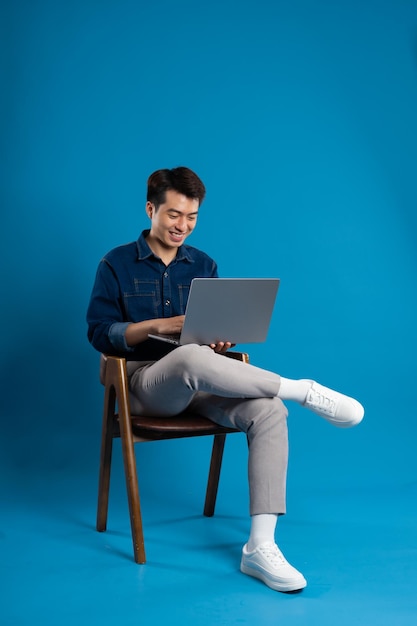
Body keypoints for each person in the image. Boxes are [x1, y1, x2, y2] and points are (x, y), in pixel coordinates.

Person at [87, 166, 364, 593]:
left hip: (201, 379)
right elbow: (100, 332)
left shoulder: (203, 264)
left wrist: (217, 338)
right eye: (174, 215)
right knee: (191, 357)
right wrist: (168, 325)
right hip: (143, 384)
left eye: (192, 217)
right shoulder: (116, 263)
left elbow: (207, 334)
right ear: (150, 209)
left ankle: (260, 547)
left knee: (269, 410)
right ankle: (301, 389)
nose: (183, 226)